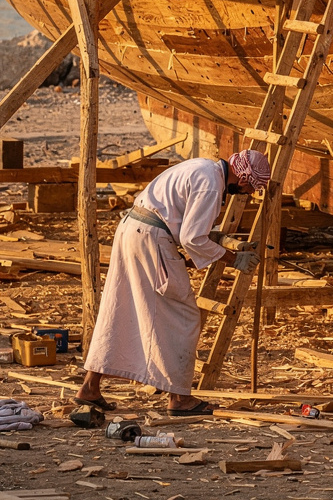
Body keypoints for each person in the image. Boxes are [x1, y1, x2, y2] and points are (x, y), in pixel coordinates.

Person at [75, 150, 266, 417]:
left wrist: (214, 242)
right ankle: (179, 399)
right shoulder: (212, 185)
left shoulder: (202, 167)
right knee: (183, 317)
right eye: (249, 188)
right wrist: (234, 260)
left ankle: (90, 387)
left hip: (133, 230)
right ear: (243, 178)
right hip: (151, 238)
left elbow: (183, 223)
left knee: (119, 308)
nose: (246, 193)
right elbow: (192, 238)